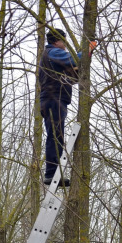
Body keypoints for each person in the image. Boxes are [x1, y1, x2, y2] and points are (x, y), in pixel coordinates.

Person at [38, 28, 98, 187]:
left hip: (55, 99)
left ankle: (54, 174)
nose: (65, 45)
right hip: (53, 99)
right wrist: (87, 50)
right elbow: (73, 60)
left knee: (56, 135)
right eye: (63, 42)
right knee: (55, 136)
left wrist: (83, 61)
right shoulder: (53, 53)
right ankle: (51, 174)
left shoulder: (52, 58)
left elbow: (71, 75)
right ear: (57, 41)